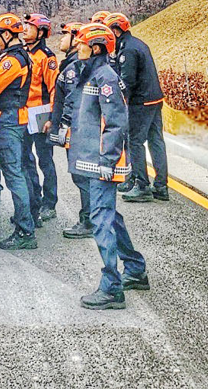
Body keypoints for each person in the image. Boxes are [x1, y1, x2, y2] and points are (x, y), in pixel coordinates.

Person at [68, 22, 148, 310]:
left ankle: (112, 287)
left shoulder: (106, 78)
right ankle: (135, 269)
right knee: (110, 217)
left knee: (101, 220)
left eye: (83, 44)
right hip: (93, 160)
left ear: (97, 47)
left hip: (103, 162)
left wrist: (107, 163)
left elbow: (115, 123)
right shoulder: (89, 74)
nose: (78, 48)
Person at [0, 13, 37, 250]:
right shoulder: (11, 56)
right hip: (12, 119)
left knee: (14, 175)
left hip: (9, 120)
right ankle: (28, 221)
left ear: (7, 34)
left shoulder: (12, 60)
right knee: (18, 172)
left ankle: (25, 231)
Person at [105, 12, 169, 203]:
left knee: (135, 142)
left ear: (116, 31)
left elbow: (127, 82)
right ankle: (161, 186)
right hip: (155, 99)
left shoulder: (128, 51)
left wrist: (117, 104)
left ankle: (142, 185)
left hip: (141, 102)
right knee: (156, 141)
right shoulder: (137, 43)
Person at [45, 22, 92, 238]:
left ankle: (89, 221)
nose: (61, 39)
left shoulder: (77, 68)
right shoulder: (71, 64)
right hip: (78, 131)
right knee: (81, 176)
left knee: (82, 176)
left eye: (65, 35)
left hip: (79, 132)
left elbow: (72, 102)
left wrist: (63, 127)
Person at [21, 13, 59, 223]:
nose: (25, 29)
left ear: (41, 31)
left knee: (45, 160)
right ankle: (32, 201)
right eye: (25, 26)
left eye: (30, 26)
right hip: (23, 113)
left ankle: (49, 203)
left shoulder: (47, 56)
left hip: (41, 112)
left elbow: (54, 88)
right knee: (26, 160)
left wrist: (52, 117)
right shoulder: (22, 52)